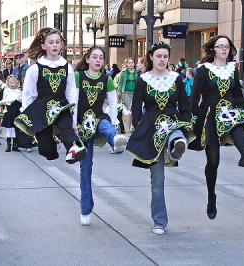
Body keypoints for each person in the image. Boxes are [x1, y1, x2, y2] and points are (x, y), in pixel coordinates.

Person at [126, 42, 194, 235]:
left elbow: (184, 104)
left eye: (165, 56)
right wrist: (140, 129)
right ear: (151, 57)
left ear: (168, 58)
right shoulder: (143, 80)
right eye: (159, 56)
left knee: (176, 133)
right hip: (152, 129)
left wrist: (186, 120)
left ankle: (176, 146)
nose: (162, 59)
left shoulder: (177, 78)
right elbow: (137, 107)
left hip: (172, 121)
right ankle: (159, 221)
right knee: (157, 179)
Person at [189, 35, 244, 220]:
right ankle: (211, 197)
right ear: (213, 49)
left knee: (238, 128)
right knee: (213, 161)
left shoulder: (232, 69)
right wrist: (192, 120)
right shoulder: (203, 70)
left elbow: (236, 93)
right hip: (210, 114)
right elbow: (195, 97)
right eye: (220, 46)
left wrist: (242, 113)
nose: (224, 49)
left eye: (227, 46)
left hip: (229, 111)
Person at [14, 27, 86, 163]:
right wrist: (29, 118)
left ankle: (74, 148)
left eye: (57, 42)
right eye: (51, 42)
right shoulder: (35, 69)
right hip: (41, 110)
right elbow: (28, 95)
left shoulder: (67, 67)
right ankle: (50, 144)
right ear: (43, 46)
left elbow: (71, 93)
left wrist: (74, 120)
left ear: (61, 45)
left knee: (67, 128)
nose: (55, 45)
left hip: (61, 106)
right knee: (48, 152)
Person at [74, 46, 127, 225]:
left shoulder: (107, 79)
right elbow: (73, 101)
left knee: (107, 125)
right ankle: (86, 208)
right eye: (94, 57)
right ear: (87, 59)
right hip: (81, 124)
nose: (98, 60)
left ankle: (115, 139)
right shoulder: (78, 77)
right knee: (86, 169)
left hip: (98, 117)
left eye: (101, 58)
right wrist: (73, 124)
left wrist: (114, 121)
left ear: (104, 61)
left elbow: (112, 103)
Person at [115, 58, 138, 135]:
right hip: (126, 93)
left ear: (134, 64)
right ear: (127, 64)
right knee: (129, 111)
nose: (131, 64)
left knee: (135, 111)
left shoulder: (137, 72)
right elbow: (120, 84)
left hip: (136, 94)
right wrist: (119, 94)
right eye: (129, 63)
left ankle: (134, 126)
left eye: (132, 62)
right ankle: (128, 130)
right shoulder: (123, 73)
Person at [0, 75, 21, 152]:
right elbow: (4, 99)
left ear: (16, 83)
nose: (12, 83)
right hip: (9, 110)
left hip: (16, 111)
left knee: (16, 128)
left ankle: (15, 146)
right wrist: (1, 102)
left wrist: (20, 100)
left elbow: (21, 100)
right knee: (9, 128)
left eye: (14, 82)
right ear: (8, 83)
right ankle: (8, 145)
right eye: (10, 82)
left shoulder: (19, 91)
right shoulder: (6, 90)